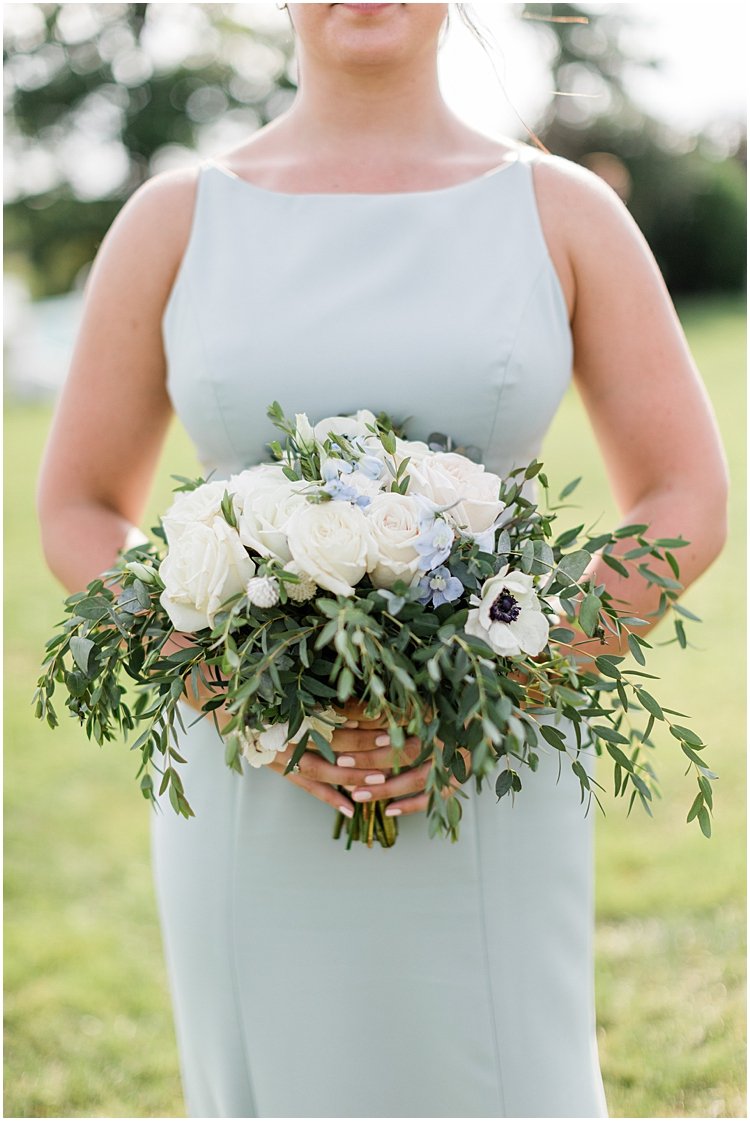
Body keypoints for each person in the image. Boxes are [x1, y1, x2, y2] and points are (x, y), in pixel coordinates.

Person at [37, 3, 728, 1116]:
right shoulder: (175, 217)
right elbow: (78, 502)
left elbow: (684, 497)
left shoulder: (563, 211)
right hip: (250, 775)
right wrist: (226, 682)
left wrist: (510, 686)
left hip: (489, 772)